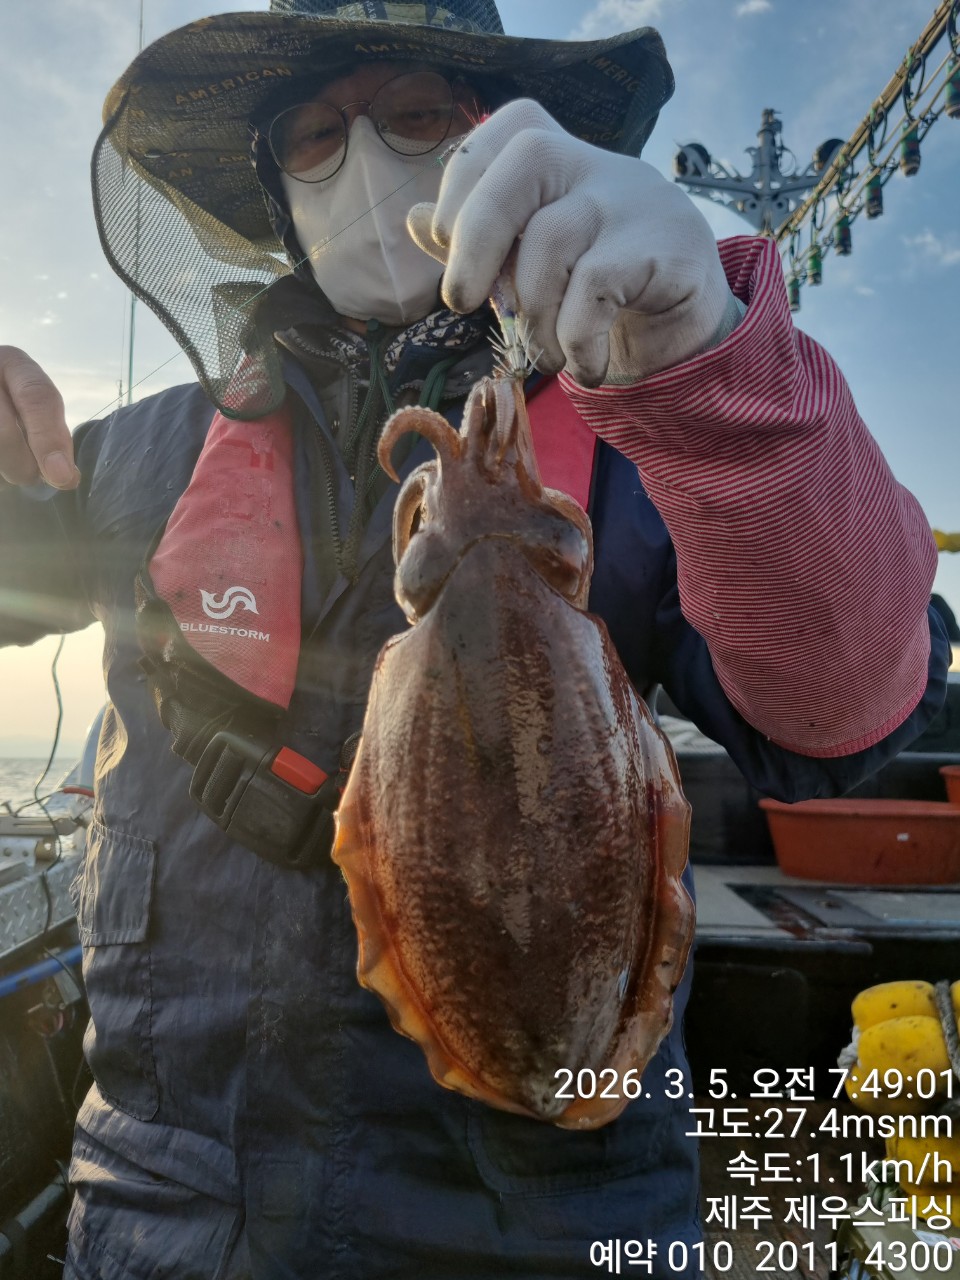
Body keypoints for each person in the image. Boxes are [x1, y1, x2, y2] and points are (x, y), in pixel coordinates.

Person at [0, 2, 951, 1277]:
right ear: (276, 186)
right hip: (167, 1210)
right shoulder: (138, 457)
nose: (361, 162)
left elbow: (850, 708)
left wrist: (719, 374)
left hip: (552, 1225)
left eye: (412, 116)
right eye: (314, 135)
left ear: (491, 138)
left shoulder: (657, 436)